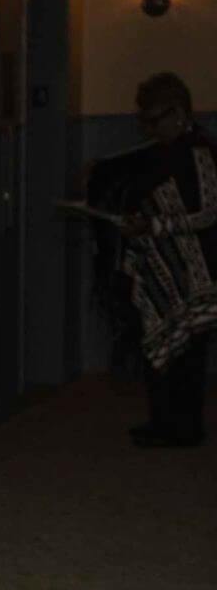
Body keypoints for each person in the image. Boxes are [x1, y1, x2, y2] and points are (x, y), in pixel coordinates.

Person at [93, 72, 215, 446]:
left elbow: (208, 211)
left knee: (188, 355)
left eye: (154, 119)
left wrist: (155, 226)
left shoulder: (200, 152)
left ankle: (185, 427)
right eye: (143, 119)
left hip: (195, 272)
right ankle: (162, 423)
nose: (148, 128)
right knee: (160, 349)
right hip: (162, 271)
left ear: (178, 113)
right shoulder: (159, 154)